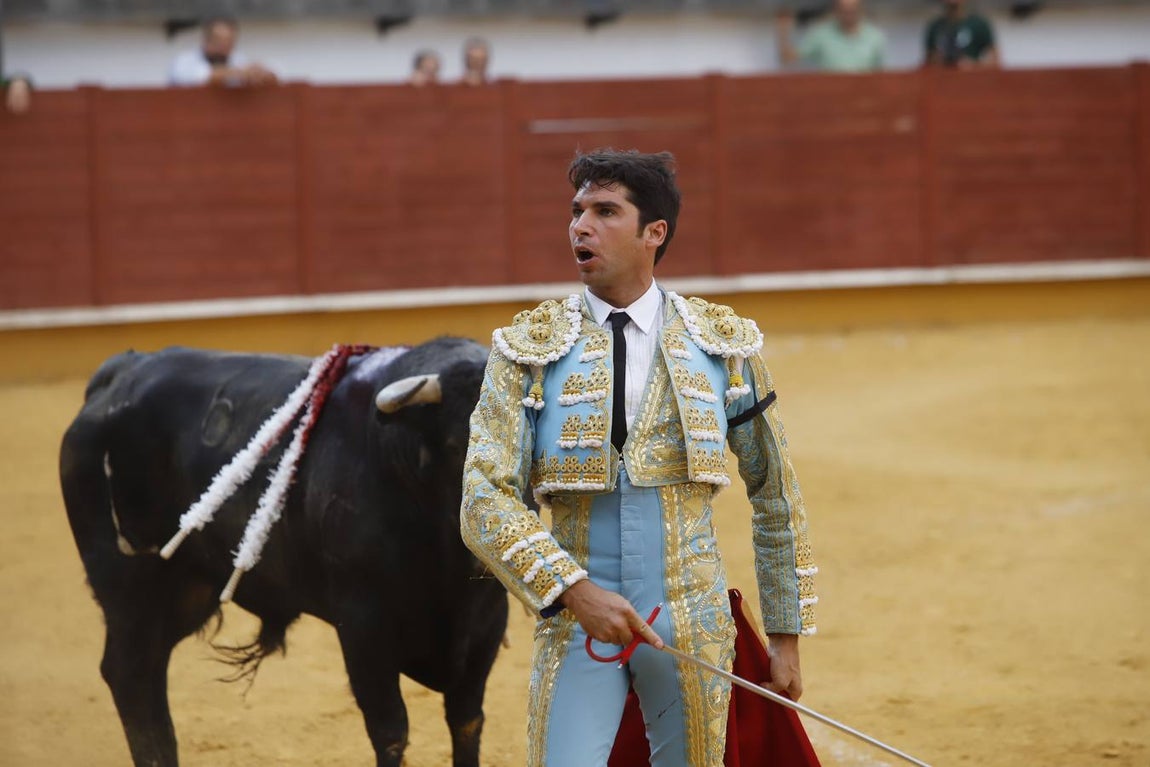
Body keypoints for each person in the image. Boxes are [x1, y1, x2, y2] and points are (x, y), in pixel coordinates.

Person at [460, 149, 816, 766]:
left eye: (604, 211)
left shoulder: (723, 346)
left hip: (692, 619)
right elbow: (482, 497)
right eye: (576, 212)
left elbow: (775, 493)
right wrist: (572, 590)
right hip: (576, 620)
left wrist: (784, 636)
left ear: (655, 233)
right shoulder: (526, 350)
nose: (580, 226)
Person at [776, 0, 886, 73]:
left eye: (852, 10)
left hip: (864, 98)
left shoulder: (875, 37)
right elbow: (788, 58)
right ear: (836, 10)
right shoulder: (821, 34)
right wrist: (783, 33)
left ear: (860, 9)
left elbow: (882, 74)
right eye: (844, 10)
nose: (848, 14)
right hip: (830, 97)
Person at [168, 16, 277, 87]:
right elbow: (203, 77)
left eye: (229, 43)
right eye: (219, 42)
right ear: (206, 41)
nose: (224, 48)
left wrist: (261, 74)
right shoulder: (184, 61)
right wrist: (240, 73)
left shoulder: (237, 59)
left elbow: (272, 77)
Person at [924, 0, 1000, 69]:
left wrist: (974, 65)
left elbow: (994, 60)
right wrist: (939, 62)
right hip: (943, 79)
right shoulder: (935, 26)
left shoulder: (979, 24)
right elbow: (928, 62)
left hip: (971, 79)